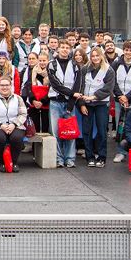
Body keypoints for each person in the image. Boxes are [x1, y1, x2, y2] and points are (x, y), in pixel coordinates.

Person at [75, 46, 115, 167]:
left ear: (102, 56)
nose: (96, 58)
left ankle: (101, 157)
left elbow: (108, 89)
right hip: (86, 104)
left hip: (101, 104)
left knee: (102, 131)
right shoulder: (85, 69)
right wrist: (81, 104)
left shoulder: (109, 70)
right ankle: (90, 157)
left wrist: (93, 97)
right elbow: (80, 87)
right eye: (93, 56)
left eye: (98, 55)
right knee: (87, 131)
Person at [110, 40, 131, 163]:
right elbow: (112, 81)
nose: (128, 53)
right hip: (119, 100)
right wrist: (120, 96)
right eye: (126, 50)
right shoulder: (116, 64)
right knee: (121, 127)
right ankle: (121, 152)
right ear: (123, 50)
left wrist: (128, 97)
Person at [47, 39, 80, 167]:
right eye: (63, 47)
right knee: (56, 133)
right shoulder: (52, 64)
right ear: (58, 49)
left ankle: (70, 158)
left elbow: (77, 85)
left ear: (70, 49)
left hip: (69, 103)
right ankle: (59, 159)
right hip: (55, 102)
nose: (65, 49)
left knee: (70, 132)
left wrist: (72, 102)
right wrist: (71, 93)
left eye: (68, 47)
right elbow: (55, 84)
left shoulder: (75, 65)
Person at [0, 77, 27, 172]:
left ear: (11, 86)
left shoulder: (18, 98)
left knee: (16, 138)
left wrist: (14, 124)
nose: (5, 87)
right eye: (2, 85)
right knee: (0, 138)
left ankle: (14, 162)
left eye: (7, 85)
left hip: (15, 125)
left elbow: (23, 114)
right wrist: (1, 125)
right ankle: (2, 162)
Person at [20, 51, 49, 135]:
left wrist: (42, 101)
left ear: (48, 60)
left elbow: (52, 88)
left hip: (46, 102)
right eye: (40, 61)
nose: (42, 63)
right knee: (35, 127)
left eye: (44, 61)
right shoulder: (33, 71)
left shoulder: (51, 71)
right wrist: (33, 100)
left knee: (45, 127)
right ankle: (34, 147)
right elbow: (29, 85)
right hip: (34, 101)